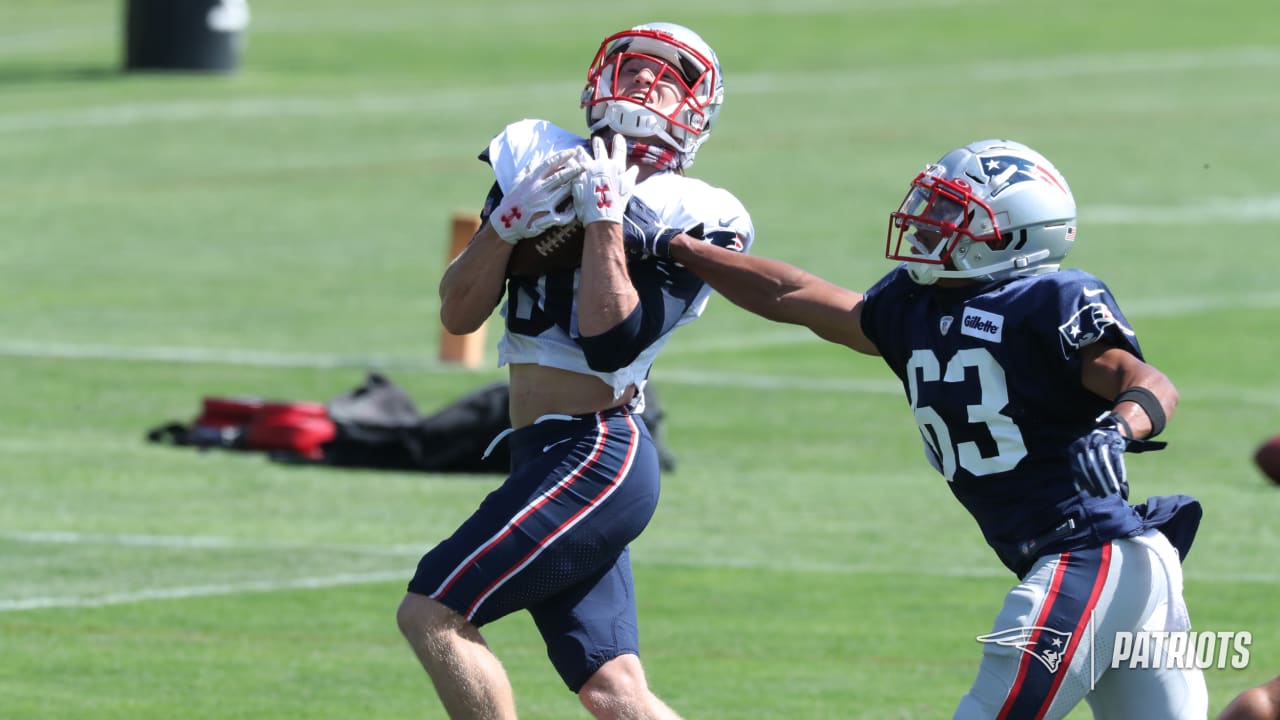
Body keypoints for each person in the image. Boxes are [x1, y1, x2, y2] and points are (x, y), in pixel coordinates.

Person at [627, 138, 1208, 718]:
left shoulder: (1048, 298)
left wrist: (1118, 428)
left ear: (1012, 234)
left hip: (1089, 555)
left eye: (954, 213)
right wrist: (678, 246)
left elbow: (1148, 381)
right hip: (1104, 565)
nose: (929, 224)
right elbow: (793, 294)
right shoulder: (912, 306)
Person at [395, 22, 753, 720]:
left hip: (597, 450)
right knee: (615, 694)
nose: (646, 80)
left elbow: (609, 342)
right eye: (635, 66)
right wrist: (507, 223)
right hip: (542, 450)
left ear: (698, 107)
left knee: (433, 610)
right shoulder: (535, 153)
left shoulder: (696, 211)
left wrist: (606, 223)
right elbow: (459, 314)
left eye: (668, 76)